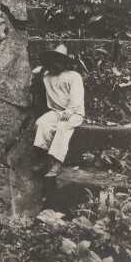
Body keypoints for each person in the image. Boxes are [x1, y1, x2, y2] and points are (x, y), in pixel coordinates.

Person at [31, 44, 85, 177]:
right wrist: (46, 67)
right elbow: (34, 71)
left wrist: (68, 112)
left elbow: (76, 97)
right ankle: (45, 159)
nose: (57, 63)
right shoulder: (47, 75)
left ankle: (57, 164)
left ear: (66, 62)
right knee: (41, 123)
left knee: (62, 127)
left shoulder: (73, 76)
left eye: (60, 60)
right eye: (54, 60)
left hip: (74, 113)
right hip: (55, 112)